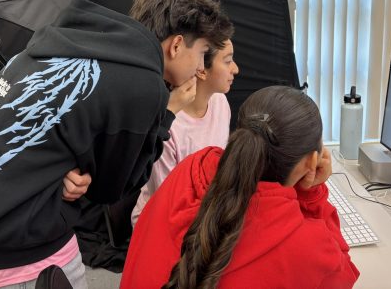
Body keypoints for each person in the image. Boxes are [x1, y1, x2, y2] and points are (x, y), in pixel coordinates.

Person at [0, 0, 233, 288]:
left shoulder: (64, 43)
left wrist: (63, 169)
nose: (199, 67)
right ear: (176, 45)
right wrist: (167, 113)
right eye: (202, 52)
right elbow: (112, 190)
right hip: (5, 247)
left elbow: (47, 130)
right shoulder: (142, 85)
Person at [121, 85, 360, 289]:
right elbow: (342, 275)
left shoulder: (194, 167)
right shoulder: (306, 246)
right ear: (311, 162)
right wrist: (312, 195)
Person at [131, 39, 239, 227]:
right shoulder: (167, 126)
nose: (235, 69)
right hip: (163, 221)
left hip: (208, 212)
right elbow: (168, 201)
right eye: (228, 61)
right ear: (201, 70)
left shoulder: (220, 103)